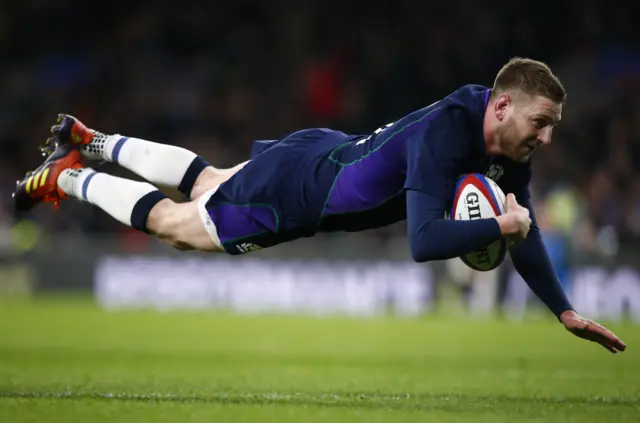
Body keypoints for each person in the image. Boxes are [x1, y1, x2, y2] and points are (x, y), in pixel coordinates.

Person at [12, 57, 627, 353]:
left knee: (206, 182)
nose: (547, 138)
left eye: (553, 128)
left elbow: (528, 229)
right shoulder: (450, 134)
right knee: (178, 226)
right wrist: (500, 223)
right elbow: (424, 242)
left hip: (321, 154)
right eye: (541, 123)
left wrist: (564, 311)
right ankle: (68, 176)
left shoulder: (502, 140)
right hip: (299, 194)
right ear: (503, 106)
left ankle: (92, 139)